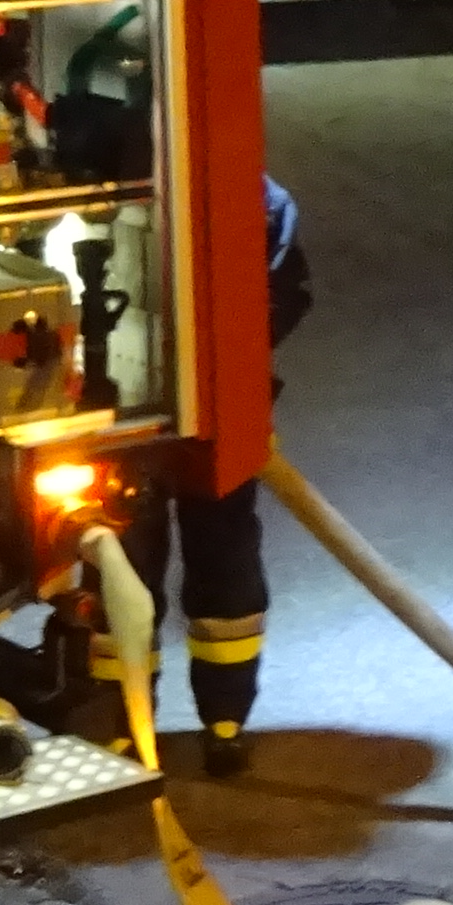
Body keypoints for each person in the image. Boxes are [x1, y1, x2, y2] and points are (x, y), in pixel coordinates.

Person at [130, 171, 309, 775]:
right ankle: (194, 721)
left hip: (176, 407)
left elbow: (285, 292)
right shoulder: (258, 199)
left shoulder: (258, 202)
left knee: (152, 560)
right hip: (194, 404)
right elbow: (289, 290)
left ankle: (153, 723)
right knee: (150, 561)